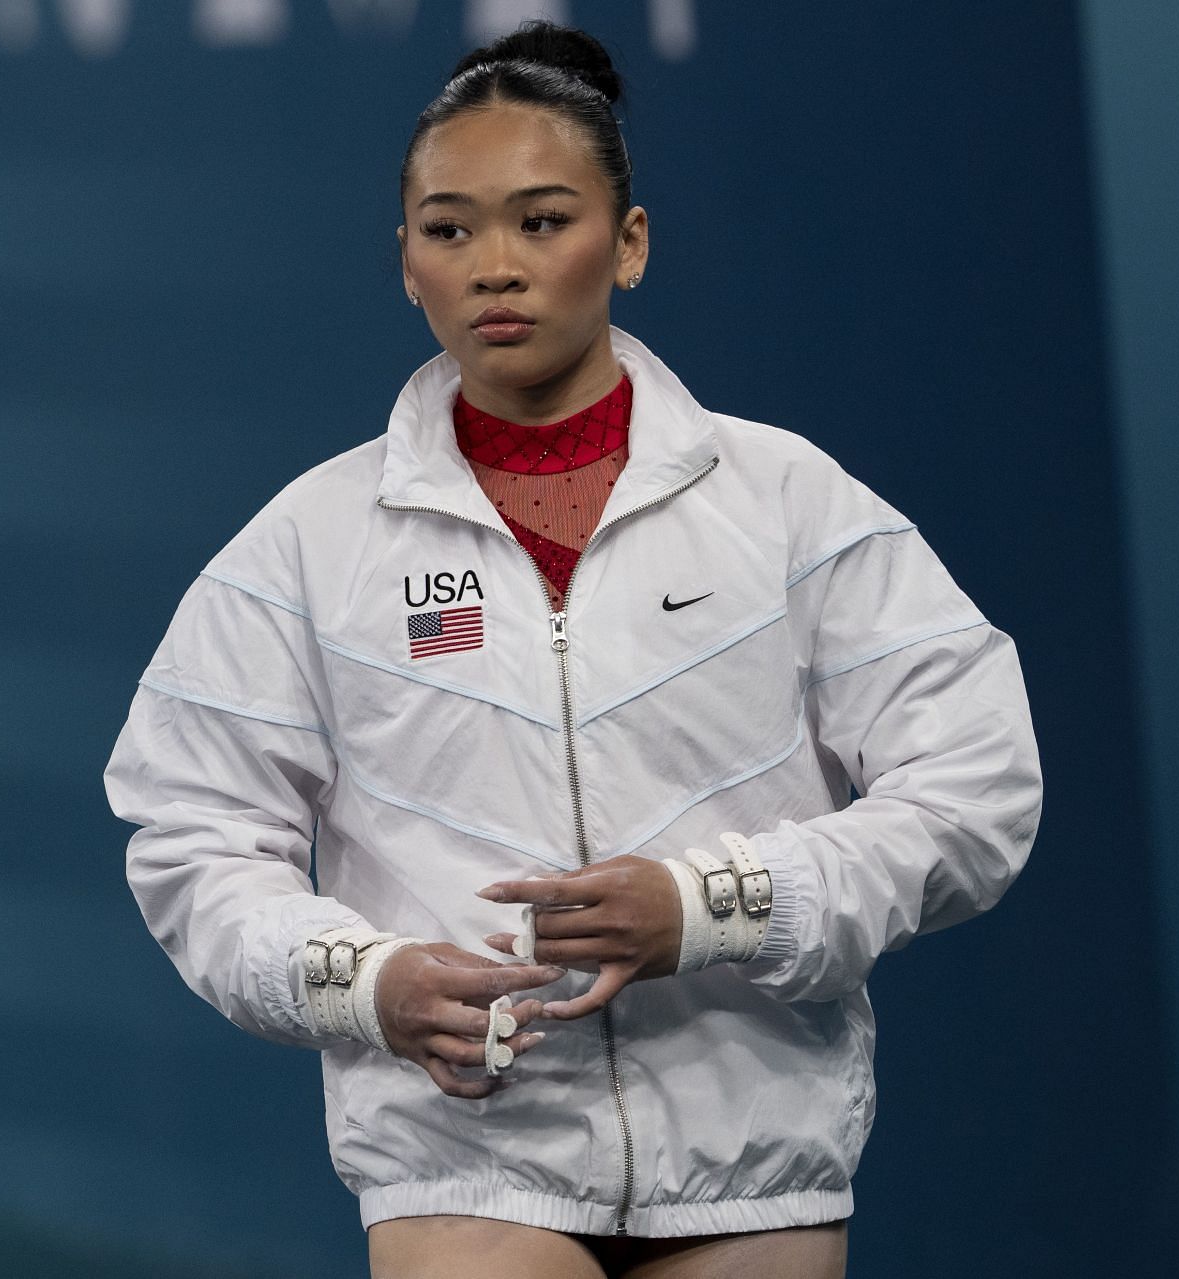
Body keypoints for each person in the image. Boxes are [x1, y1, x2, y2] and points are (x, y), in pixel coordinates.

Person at [104, 21, 1040, 1279]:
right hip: (461, 1150)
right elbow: (189, 833)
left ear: (631, 243)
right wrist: (364, 983)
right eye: (450, 229)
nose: (496, 265)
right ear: (404, 265)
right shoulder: (308, 546)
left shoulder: (789, 503)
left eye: (543, 221)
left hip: (751, 1158)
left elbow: (978, 785)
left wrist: (715, 907)